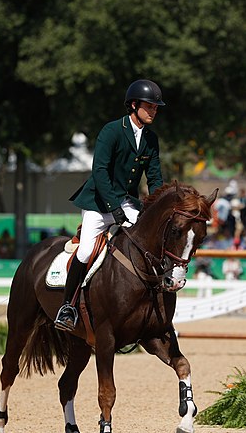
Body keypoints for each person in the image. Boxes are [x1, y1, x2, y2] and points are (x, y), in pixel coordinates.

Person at [54, 79, 166, 332]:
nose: (154, 111)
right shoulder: (112, 131)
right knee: (84, 252)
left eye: (156, 107)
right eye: (149, 106)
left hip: (128, 203)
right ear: (134, 105)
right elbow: (100, 171)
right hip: (98, 202)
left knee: (149, 245)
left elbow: (155, 178)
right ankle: (67, 307)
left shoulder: (151, 139)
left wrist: (157, 207)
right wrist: (113, 207)